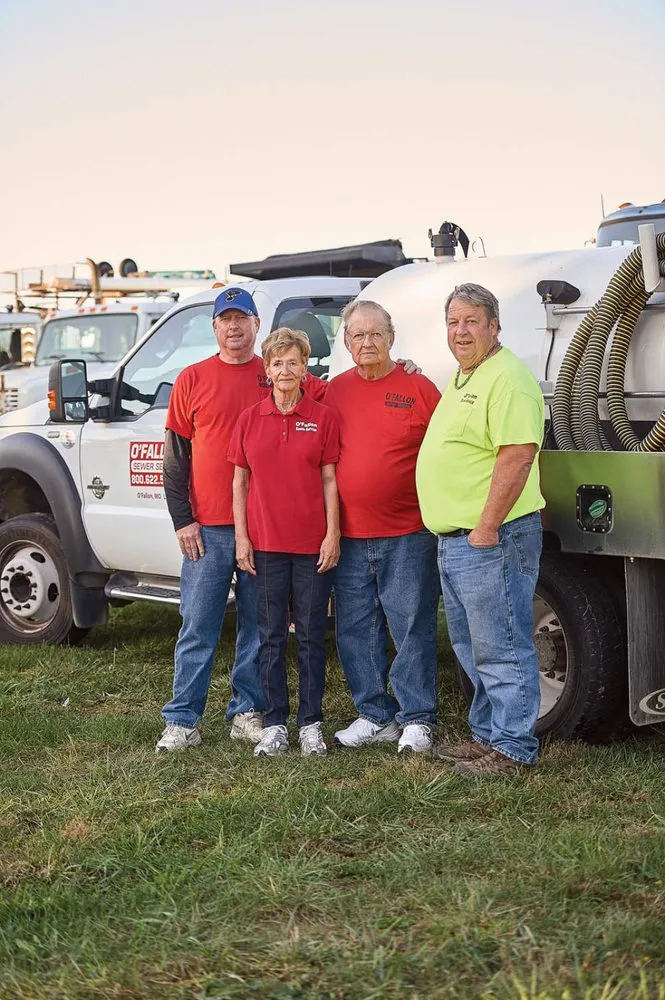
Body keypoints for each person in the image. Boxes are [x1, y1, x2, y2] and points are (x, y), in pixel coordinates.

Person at [156, 288, 326, 753]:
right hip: (208, 528)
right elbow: (175, 457)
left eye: (242, 318)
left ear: (257, 325)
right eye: (225, 319)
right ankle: (182, 720)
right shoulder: (191, 379)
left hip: (264, 531)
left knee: (258, 625)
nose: (234, 327)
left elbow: (339, 396)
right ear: (214, 328)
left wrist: (403, 366)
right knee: (198, 623)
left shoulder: (278, 371)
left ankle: (247, 711)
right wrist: (182, 520)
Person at [416, 282, 545, 777]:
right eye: (454, 321)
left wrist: (487, 527)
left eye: (472, 321)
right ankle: (488, 736)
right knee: (472, 647)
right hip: (459, 540)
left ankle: (513, 748)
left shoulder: (507, 378)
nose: (461, 331)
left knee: (502, 645)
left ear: (494, 326)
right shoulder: (465, 376)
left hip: (490, 537)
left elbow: (517, 454)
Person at [325, 300, 442, 754]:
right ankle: (374, 715)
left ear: (392, 337)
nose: (367, 343)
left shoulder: (418, 386)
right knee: (355, 628)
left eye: (376, 334)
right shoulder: (333, 392)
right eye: (358, 335)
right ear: (347, 342)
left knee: (410, 625)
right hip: (350, 537)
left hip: (408, 532)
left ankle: (417, 718)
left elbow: (448, 446)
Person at [229, 328, 340, 758]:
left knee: (312, 636)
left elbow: (330, 478)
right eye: (277, 363)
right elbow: (239, 482)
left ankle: (310, 723)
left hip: (313, 546)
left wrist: (332, 534)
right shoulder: (250, 419)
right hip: (266, 546)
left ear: (305, 366)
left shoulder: (323, 417)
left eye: (293, 362)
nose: (285, 370)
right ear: (267, 369)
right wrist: (242, 538)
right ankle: (275, 723)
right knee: (272, 637)